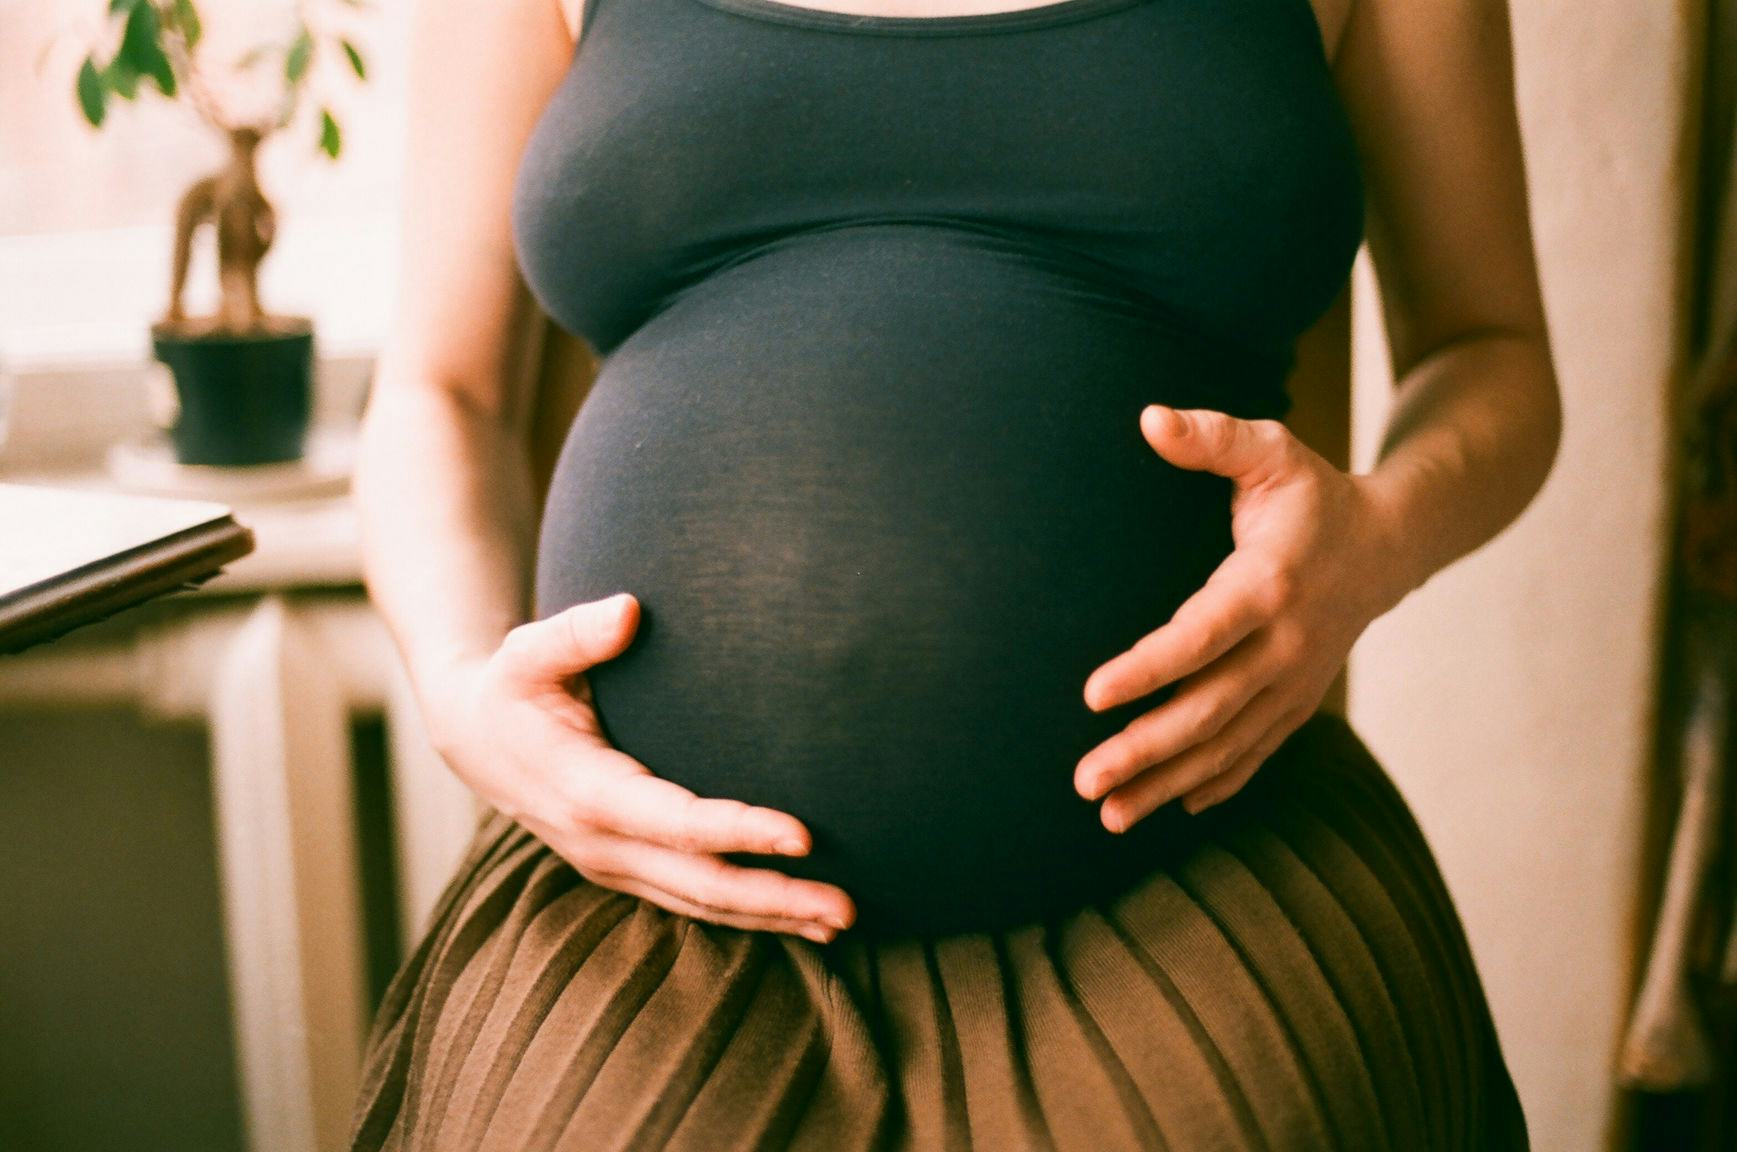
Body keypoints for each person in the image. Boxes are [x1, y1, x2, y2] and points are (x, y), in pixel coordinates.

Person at [347, 0, 1559, 1146]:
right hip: (646, 898)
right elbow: (435, 395)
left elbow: (1489, 351)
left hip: (1201, 850)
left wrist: (1378, 538)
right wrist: (459, 693)